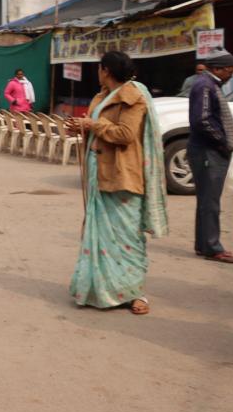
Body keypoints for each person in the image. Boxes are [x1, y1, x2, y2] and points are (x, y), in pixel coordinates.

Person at [66, 51, 168, 314]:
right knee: (101, 237)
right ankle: (100, 290)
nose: (98, 73)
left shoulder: (133, 96)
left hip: (122, 174)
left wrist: (92, 124)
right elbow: (99, 127)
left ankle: (136, 294)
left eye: (99, 68)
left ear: (106, 70)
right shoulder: (102, 96)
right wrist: (81, 127)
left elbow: (125, 134)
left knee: (127, 238)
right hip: (99, 172)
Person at [187, 52, 233, 263]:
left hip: (206, 150)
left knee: (206, 200)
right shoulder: (206, 86)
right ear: (217, 68)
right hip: (208, 151)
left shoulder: (206, 83)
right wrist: (222, 143)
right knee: (210, 201)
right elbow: (202, 120)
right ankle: (212, 247)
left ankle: (203, 244)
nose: (230, 75)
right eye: (229, 71)